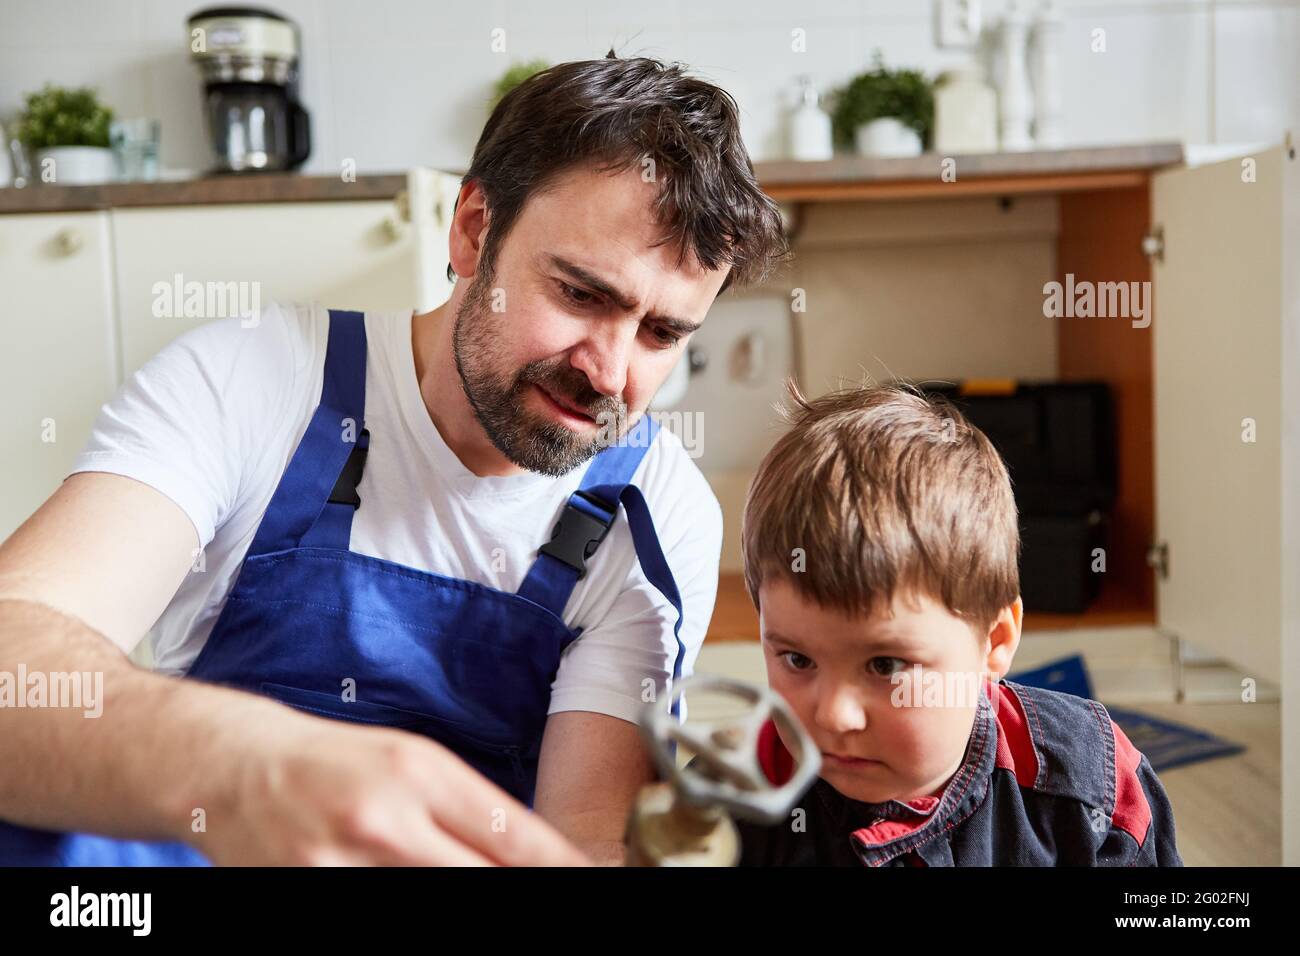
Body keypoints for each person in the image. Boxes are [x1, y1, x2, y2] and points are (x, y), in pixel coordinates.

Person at [0, 54, 789, 866]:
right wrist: (247, 770)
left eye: (661, 334)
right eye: (582, 295)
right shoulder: (255, 377)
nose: (611, 374)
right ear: (474, 230)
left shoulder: (654, 509)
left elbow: (580, 841)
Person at [733, 384, 1182, 866]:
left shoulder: (1093, 787)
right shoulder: (729, 806)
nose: (835, 716)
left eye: (885, 665)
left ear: (995, 640)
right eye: (798, 659)